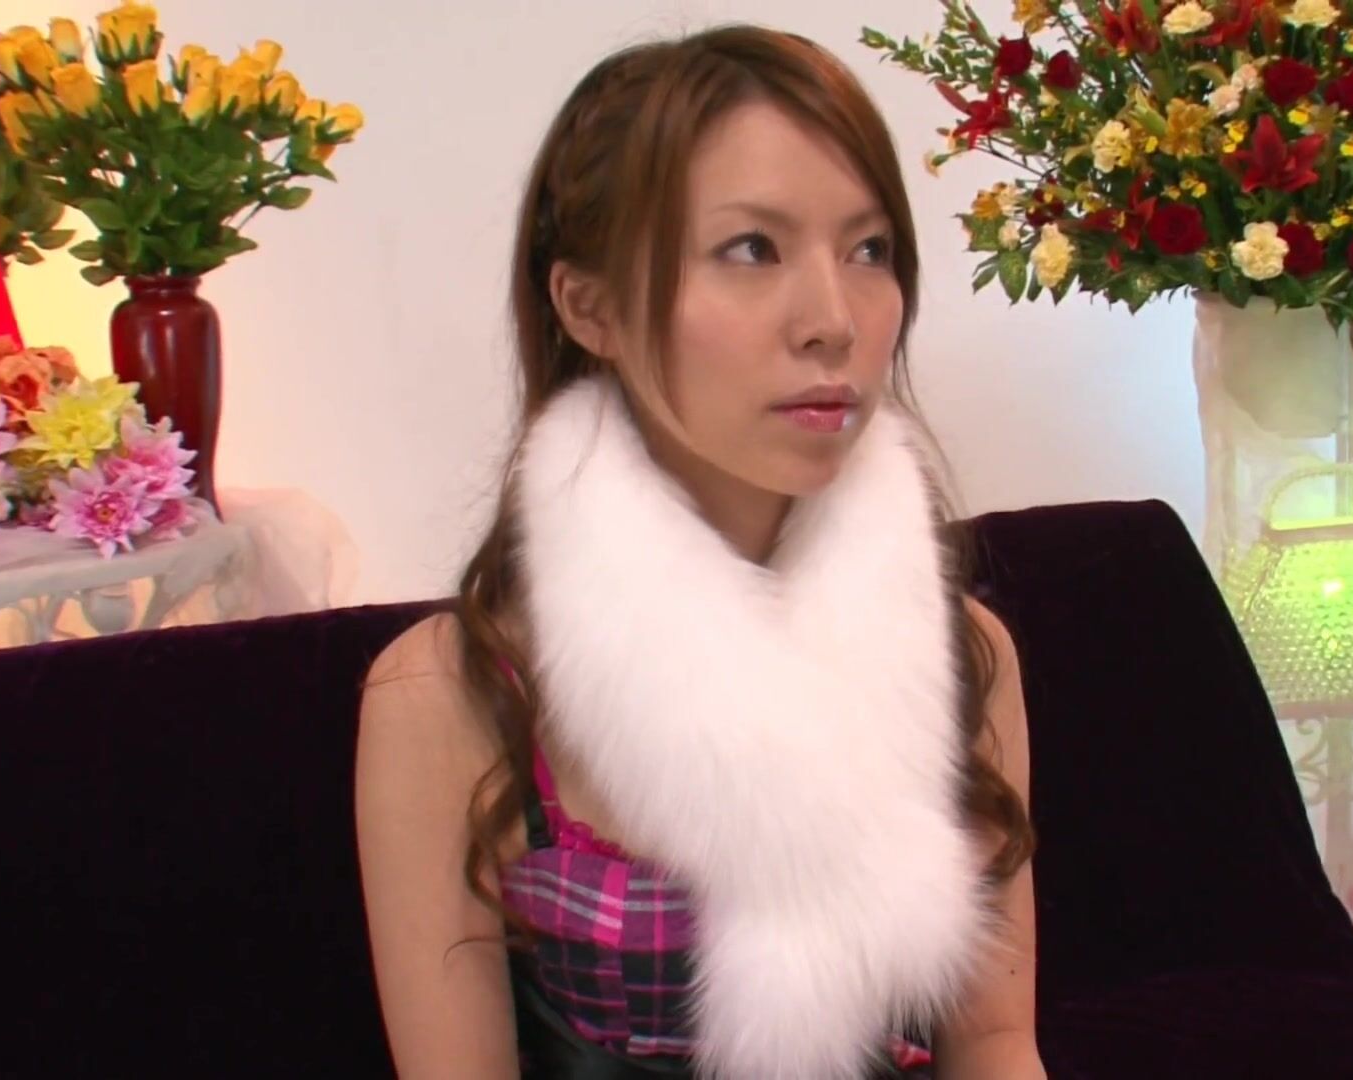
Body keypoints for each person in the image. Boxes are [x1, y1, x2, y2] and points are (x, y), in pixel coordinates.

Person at [355, 24, 1044, 1080]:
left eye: (869, 251)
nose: (833, 321)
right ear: (589, 307)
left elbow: (994, 1044)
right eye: (752, 249)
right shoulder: (447, 698)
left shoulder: (962, 654)